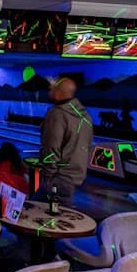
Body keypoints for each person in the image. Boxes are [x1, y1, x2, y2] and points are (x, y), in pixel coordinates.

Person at [38, 77, 92, 207]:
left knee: (36, 212)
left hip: (58, 178)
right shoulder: (85, 116)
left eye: (51, 89)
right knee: (60, 215)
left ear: (58, 92)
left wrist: (48, 177)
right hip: (75, 177)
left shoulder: (57, 114)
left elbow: (51, 149)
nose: (49, 91)